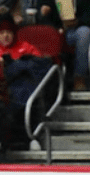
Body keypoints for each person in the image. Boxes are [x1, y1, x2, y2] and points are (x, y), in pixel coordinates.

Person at [0, 13, 50, 151]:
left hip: (23, 91)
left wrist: (17, 65)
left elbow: (41, 67)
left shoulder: (26, 47)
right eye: (2, 32)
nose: (5, 36)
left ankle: (31, 137)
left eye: (8, 32)